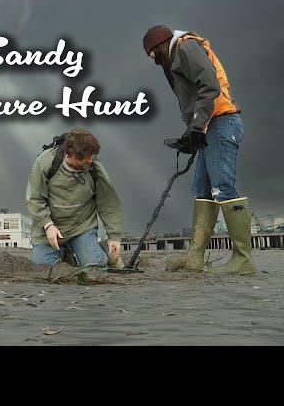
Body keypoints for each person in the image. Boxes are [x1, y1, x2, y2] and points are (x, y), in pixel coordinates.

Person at [142, 25, 256, 275]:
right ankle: (195, 256)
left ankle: (243, 259)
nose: (155, 62)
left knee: (222, 187)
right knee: (203, 190)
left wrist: (198, 126)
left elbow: (210, 86)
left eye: (154, 55)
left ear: (161, 45)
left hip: (222, 122)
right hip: (209, 124)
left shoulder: (187, 48)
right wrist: (191, 133)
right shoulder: (177, 55)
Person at [25, 129, 124, 268]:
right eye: (83, 157)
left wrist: (114, 236)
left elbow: (108, 202)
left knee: (94, 265)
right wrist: (47, 224)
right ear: (68, 154)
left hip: (81, 227)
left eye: (91, 156)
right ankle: (66, 253)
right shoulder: (45, 161)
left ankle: (97, 250)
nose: (89, 160)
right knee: (42, 267)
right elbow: (34, 198)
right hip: (50, 229)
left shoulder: (94, 167)